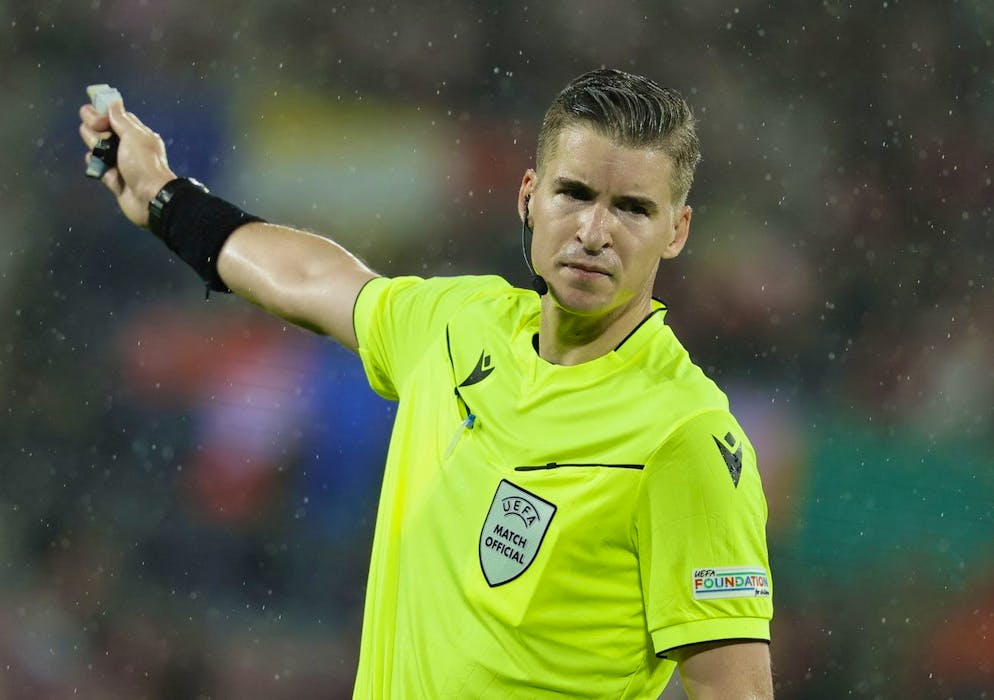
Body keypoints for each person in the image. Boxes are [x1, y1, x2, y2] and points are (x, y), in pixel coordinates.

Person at [78, 68, 774, 699]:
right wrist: (166, 199)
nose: (594, 231)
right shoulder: (457, 325)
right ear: (530, 196)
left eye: (632, 209)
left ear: (676, 231)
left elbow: (734, 693)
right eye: (575, 192)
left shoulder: (687, 437)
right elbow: (318, 280)